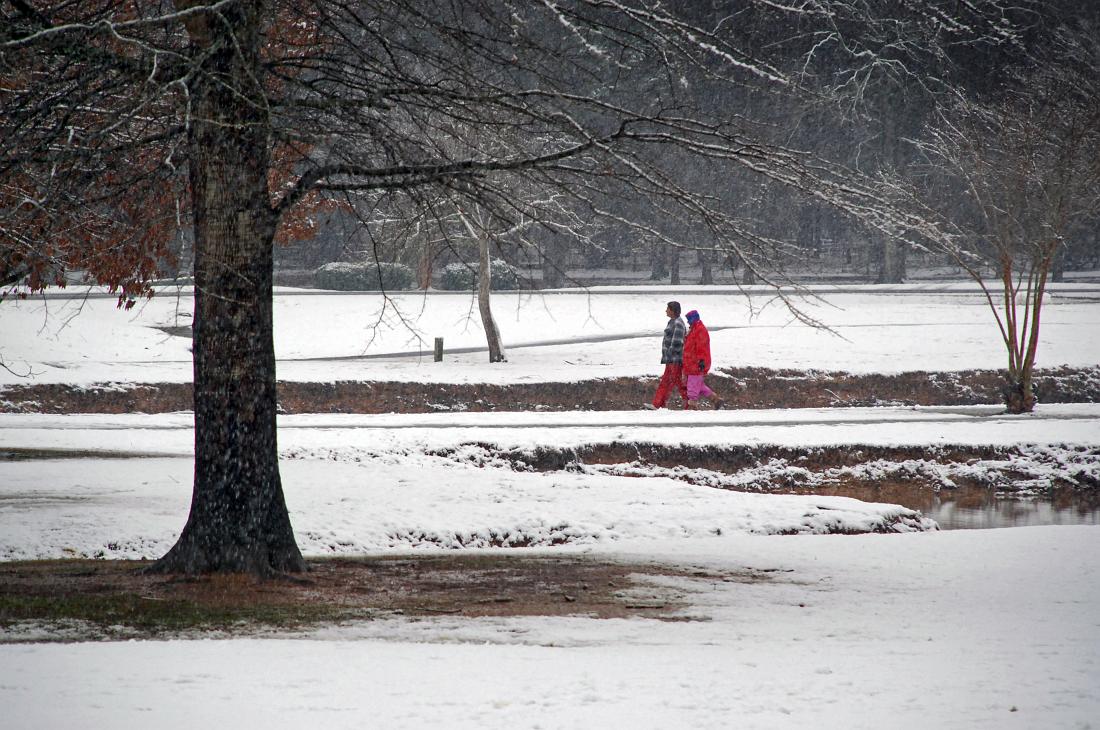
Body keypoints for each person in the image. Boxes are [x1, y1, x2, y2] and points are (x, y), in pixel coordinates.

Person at [644, 301, 688, 410]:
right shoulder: (672, 322)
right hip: (670, 359)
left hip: (675, 360)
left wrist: (670, 353)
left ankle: (690, 404)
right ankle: (658, 404)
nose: (666, 311)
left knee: (678, 382)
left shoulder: (678, 323)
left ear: (673, 311)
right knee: (666, 382)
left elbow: (677, 342)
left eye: (668, 309)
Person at [682, 309, 724, 410]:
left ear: (693, 319)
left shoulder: (700, 330)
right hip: (691, 362)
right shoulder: (694, 329)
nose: (687, 322)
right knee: (699, 386)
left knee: (692, 385)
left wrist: (701, 361)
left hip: (696, 363)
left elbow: (702, 347)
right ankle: (716, 400)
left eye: (688, 319)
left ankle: (692, 405)